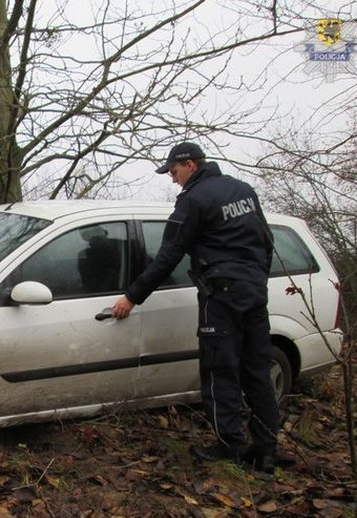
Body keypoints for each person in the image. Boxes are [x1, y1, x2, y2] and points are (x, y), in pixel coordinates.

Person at [111, 142, 280, 473]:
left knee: (219, 370)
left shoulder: (194, 200)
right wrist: (257, 279)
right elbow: (266, 239)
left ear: (189, 164)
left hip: (221, 297)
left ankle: (229, 446)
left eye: (174, 172)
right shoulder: (242, 189)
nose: (173, 180)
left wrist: (132, 296)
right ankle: (266, 452)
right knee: (258, 370)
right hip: (254, 293)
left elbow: (169, 254)